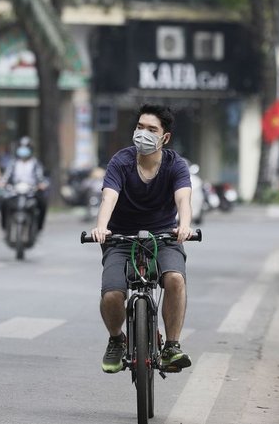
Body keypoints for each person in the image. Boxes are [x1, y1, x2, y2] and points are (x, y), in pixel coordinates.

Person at [89, 104, 194, 374]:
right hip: (121, 238)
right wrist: (101, 227)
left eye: (151, 129)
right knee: (112, 294)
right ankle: (116, 340)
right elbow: (108, 197)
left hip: (164, 237)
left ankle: (171, 345)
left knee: (175, 279)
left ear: (165, 138)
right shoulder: (120, 162)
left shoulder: (176, 165)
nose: (142, 134)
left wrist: (185, 226)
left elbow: (183, 198)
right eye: (139, 127)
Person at [0, 136, 49, 232]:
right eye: (22, 147)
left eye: (26, 147)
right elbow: (6, 176)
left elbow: (40, 177)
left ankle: (39, 227)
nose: (23, 150)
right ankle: (5, 226)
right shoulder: (13, 163)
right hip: (15, 191)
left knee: (42, 203)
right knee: (3, 202)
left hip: (31, 191)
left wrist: (42, 185)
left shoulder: (35, 163)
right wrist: (2, 183)